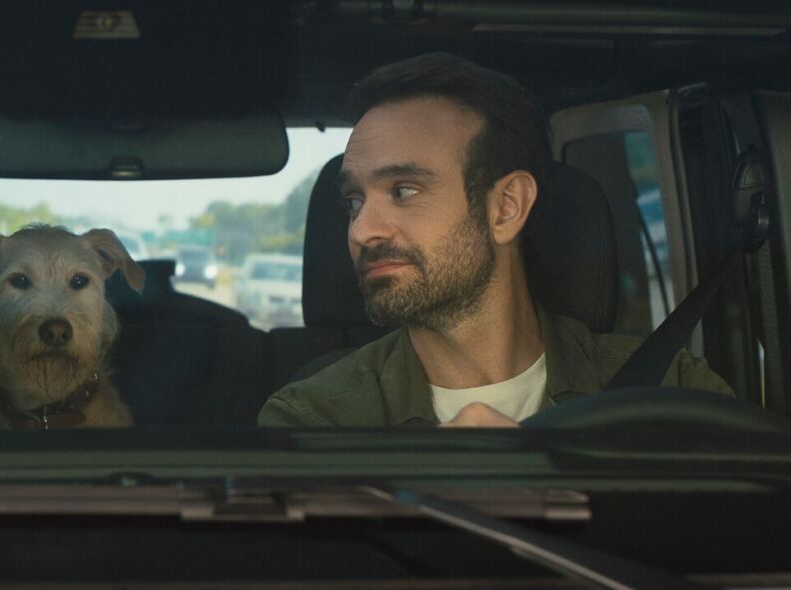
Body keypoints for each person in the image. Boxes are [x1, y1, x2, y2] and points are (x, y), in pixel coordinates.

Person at [260, 53, 731, 428]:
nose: (362, 230)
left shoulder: (671, 392)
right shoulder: (315, 422)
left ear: (507, 207)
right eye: (353, 202)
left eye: (404, 190)